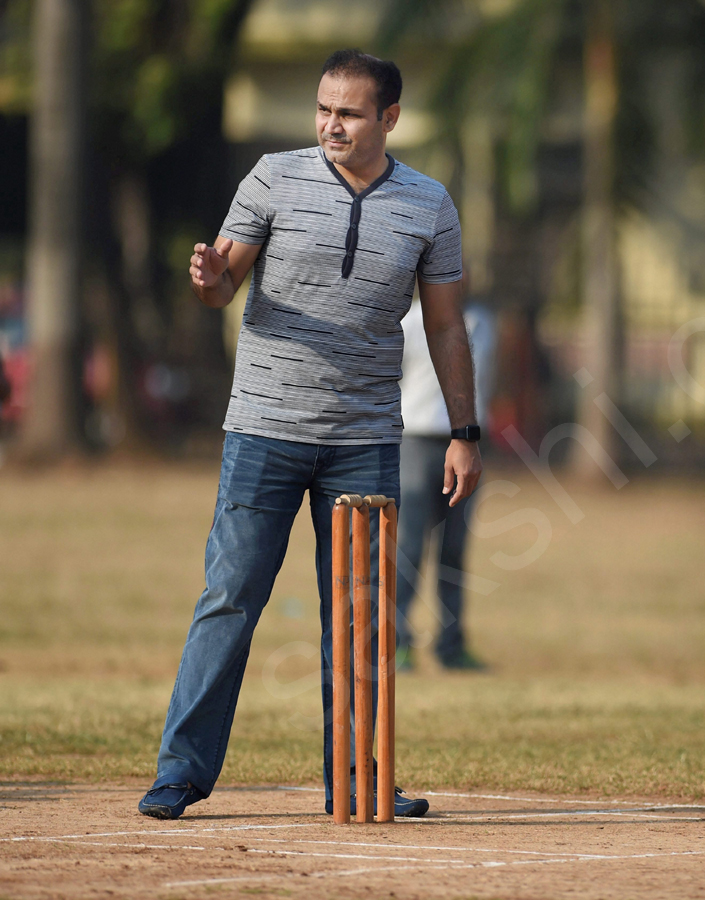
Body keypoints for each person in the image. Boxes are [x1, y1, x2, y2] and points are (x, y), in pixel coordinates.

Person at [137, 49, 483, 821]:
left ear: (389, 118)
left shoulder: (428, 204)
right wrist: (210, 281)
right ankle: (180, 773)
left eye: (349, 112)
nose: (331, 123)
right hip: (263, 429)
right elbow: (226, 279)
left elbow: (448, 326)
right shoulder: (272, 177)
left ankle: (357, 778)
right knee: (229, 598)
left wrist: (464, 430)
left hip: (365, 440)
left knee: (359, 615)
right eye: (324, 108)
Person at [395, 292, 496, 670]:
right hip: (416, 440)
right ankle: (397, 642)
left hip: (465, 443)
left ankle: (451, 645)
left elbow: (488, 377)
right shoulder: (408, 319)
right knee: (407, 546)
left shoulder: (483, 321)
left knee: (454, 549)